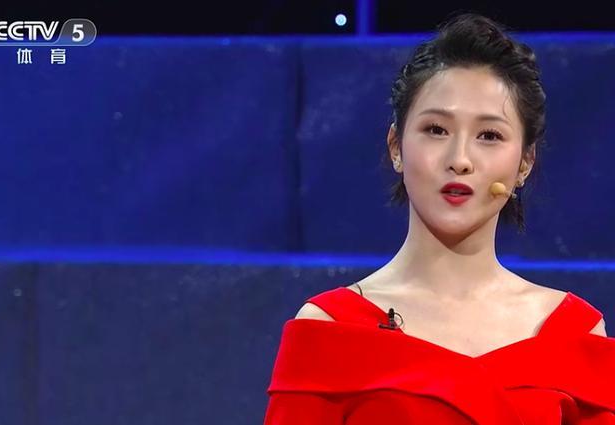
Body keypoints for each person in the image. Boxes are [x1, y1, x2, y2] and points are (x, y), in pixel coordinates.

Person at [263, 12, 615, 424]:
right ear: (396, 146)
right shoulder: (330, 331)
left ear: (524, 163)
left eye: (489, 136)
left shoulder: (574, 334)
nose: (459, 159)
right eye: (436, 130)